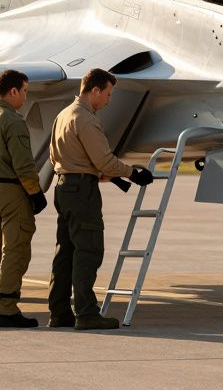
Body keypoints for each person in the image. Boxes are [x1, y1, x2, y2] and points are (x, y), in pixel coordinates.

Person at [47, 68, 154, 330]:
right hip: (82, 192)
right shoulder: (86, 119)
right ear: (94, 90)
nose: (108, 100)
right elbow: (103, 159)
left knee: (66, 252)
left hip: (64, 187)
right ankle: (86, 312)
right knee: (89, 250)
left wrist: (102, 175)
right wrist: (132, 174)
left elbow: (56, 158)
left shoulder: (63, 115)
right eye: (107, 94)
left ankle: (59, 311)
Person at [0, 69, 48, 328]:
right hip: (11, 193)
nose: (25, 98)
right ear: (13, 91)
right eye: (25, 91)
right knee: (14, 251)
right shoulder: (14, 121)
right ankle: (7, 309)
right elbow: (24, 165)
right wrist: (35, 193)